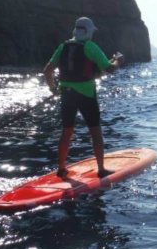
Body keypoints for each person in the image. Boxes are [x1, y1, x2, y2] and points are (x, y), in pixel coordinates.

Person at [43, 17, 124, 177]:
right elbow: (109, 69)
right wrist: (118, 61)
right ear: (88, 32)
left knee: (66, 131)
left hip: (66, 94)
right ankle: (101, 169)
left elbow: (47, 70)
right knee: (95, 131)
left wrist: (53, 89)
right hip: (86, 94)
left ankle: (61, 168)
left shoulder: (63, 46)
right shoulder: (91, 47)